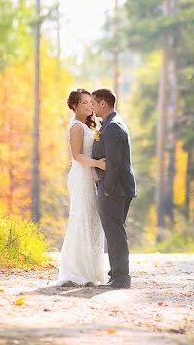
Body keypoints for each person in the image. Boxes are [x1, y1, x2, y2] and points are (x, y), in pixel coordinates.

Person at [52, 89, 106, 286]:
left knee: (91, 219)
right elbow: (77, 156)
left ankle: (90, 270)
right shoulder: (76, 127)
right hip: (80, 176)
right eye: (84, 102)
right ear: (74, 105)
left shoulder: (87, 125)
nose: (89, 106)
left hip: (88, 177)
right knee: (81, 218)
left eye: (90, 102)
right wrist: (99, 164)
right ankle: (75, 270)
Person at [91, 88, 137, 289]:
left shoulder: (112, 128)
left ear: (103, 103)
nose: (91, 107)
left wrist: (106, 188)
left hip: (114, 189)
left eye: (93, 103)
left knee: (115, 231)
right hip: (116, 188)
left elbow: (114, 164)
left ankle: (120, 278)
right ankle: (116, 274)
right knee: (114, 231)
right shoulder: (111, 124)